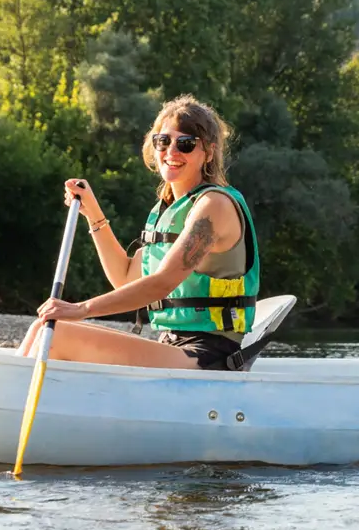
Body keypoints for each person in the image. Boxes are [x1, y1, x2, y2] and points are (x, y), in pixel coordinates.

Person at [16, 95, 260, 370]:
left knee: (58, 333)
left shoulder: (213, 206)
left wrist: (81, 310)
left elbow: (162, 283)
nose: (172, 152)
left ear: (209, 152)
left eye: (186, 144)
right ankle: (11, 388)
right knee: (42, 328)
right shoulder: (169, 209)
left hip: (208, 352)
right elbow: (124, 277)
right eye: (163, 141)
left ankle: (7, 394)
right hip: (171, 342)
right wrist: (93, 213)